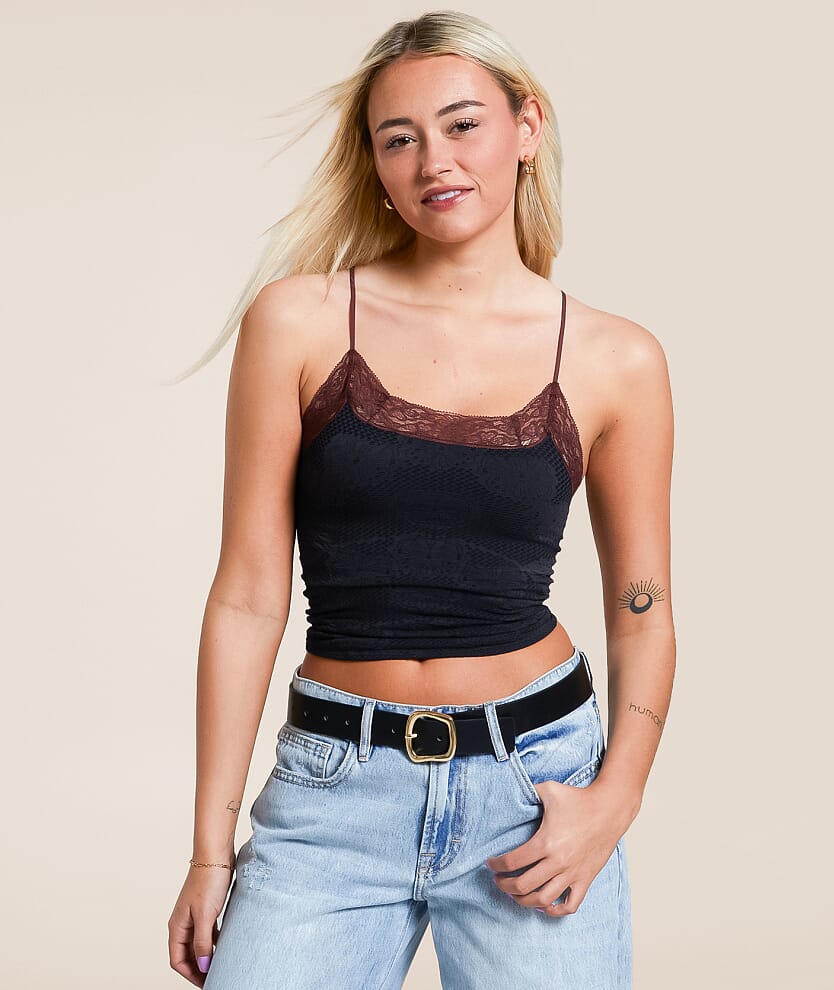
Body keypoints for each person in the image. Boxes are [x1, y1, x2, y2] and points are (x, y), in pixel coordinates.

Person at [167, 9, 675, 989]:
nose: (433, 160)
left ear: (525, 127)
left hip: (534, 789)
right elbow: (246, 597)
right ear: (374, 164)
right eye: (397, 139)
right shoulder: (300, 321)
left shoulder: (616, 358)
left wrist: (616, 799)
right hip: (333, 793)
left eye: (461, 125)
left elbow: (641, 610)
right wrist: (208, 850)